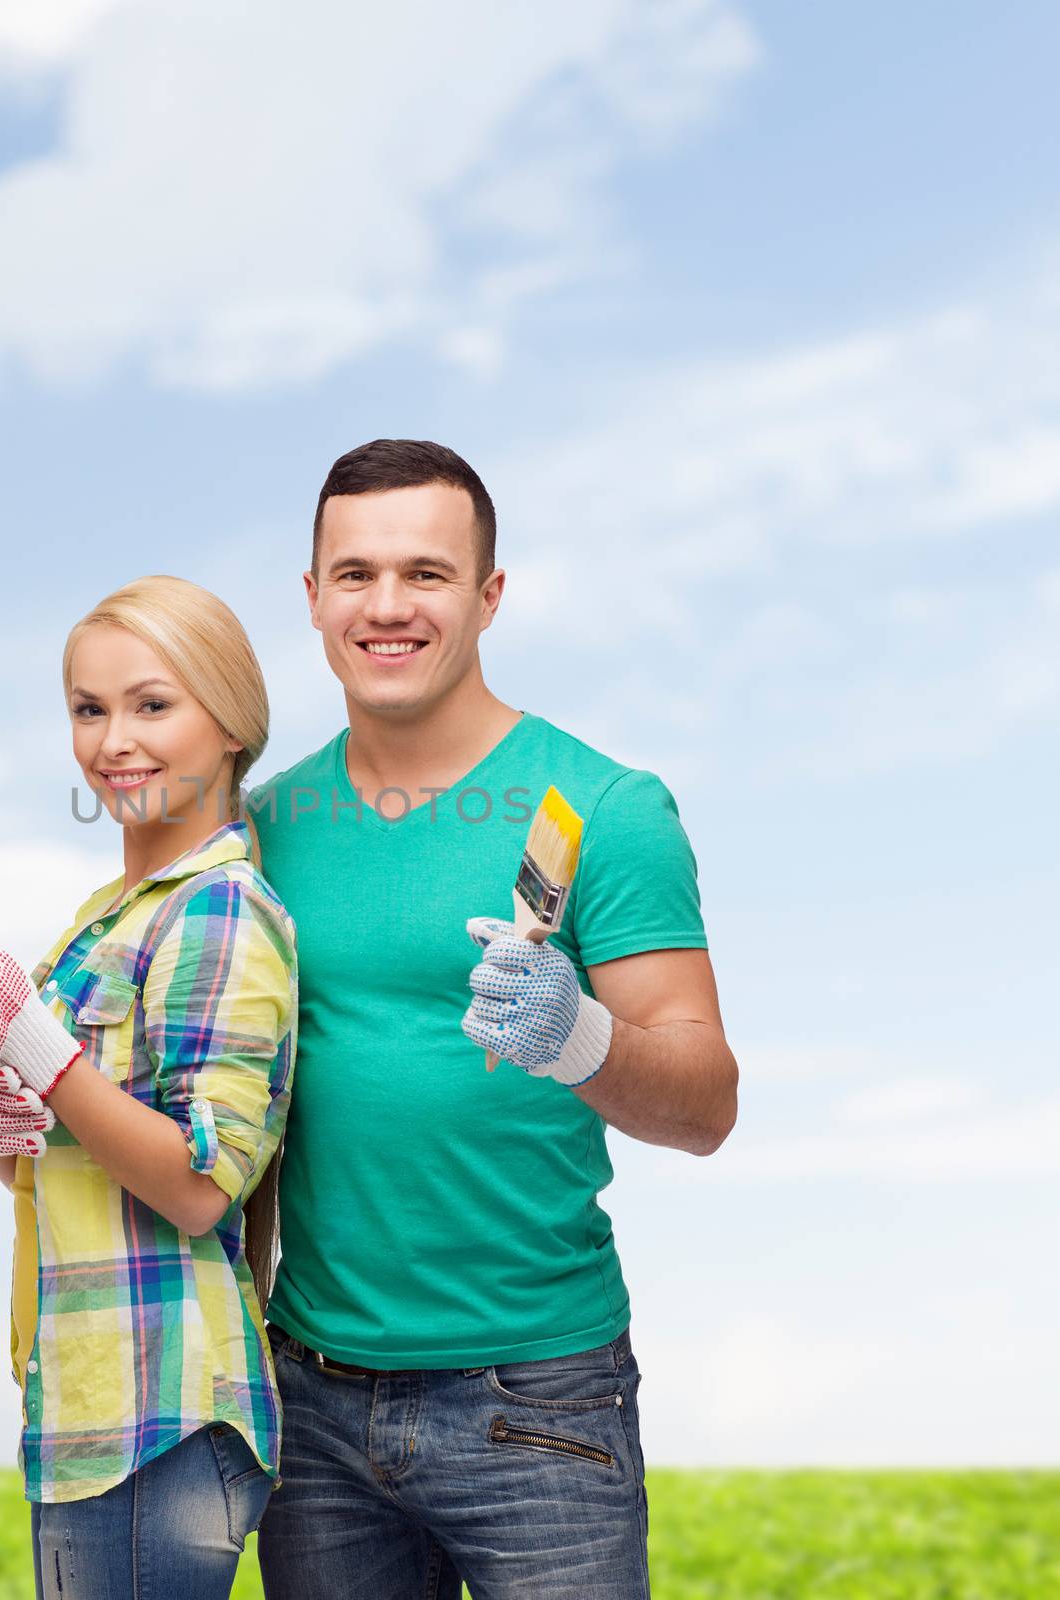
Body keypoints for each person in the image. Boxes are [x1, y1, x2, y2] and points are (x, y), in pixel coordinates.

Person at [251, 439, 739, 1600]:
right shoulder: (259, 829)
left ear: (488, 596)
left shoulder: (605, 810)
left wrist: (580, 1039)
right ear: (312, 598)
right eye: (355, 573)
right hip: (309, 1403)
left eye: (425, 573)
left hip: (538, 1401)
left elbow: (706, 1102)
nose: (387, 605)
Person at [0, 575, 297, 1600]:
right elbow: (74, 1161)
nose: (114, 739)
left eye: (152, 704)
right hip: (84, 1396)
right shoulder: (95, 922)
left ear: (230, 721)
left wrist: (28, 1037)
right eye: (88, 707)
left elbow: (205, 1187)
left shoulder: (219, 911)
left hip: (161, 1409)